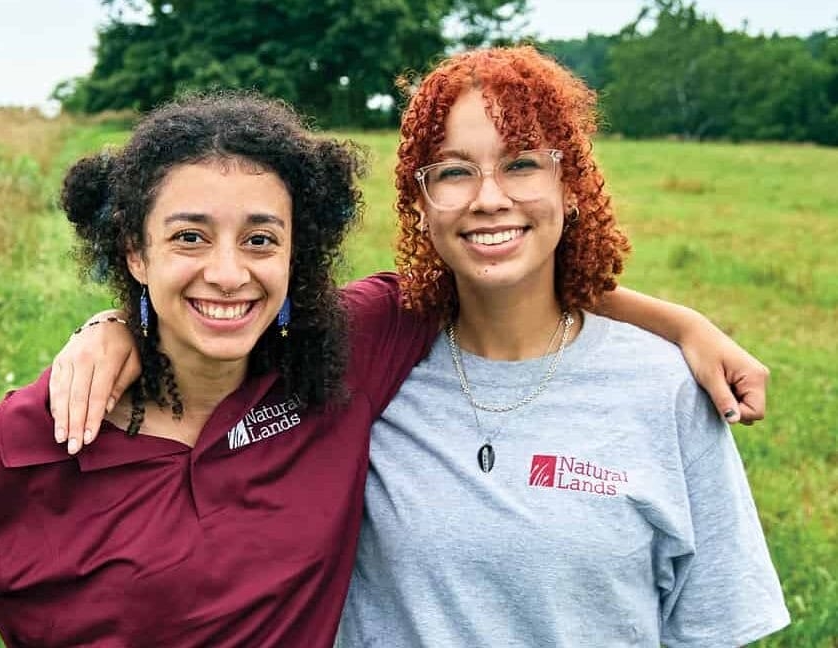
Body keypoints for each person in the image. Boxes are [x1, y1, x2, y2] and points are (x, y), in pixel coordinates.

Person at [51, 48, 787, 646]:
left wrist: (682, 325)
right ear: (422, 204)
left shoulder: (667, 388)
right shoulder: (366, 352)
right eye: (455, 172)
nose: (489, 196)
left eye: (523, 163)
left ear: (572, 186)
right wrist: (117, 326)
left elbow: (713, 625)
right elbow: (229, 311)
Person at [0, 92, 442, 647]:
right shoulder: (53, 428)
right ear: (136, 253)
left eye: (260, 240)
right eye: (189, 238)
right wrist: (108, 324)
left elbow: (494, 264)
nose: (227, 272)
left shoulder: (343, 355)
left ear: (297, 253)